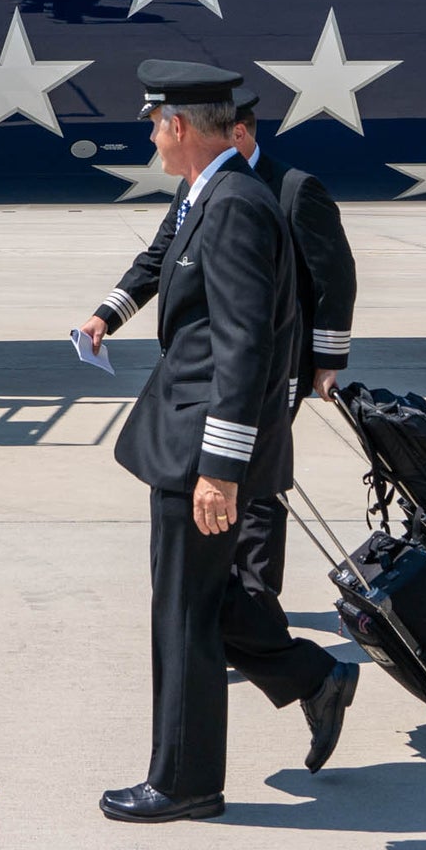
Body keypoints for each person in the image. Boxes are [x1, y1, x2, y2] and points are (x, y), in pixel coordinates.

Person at [94, 61, 357, 824]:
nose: (149, 134)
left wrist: (219, 468)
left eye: (153, 123)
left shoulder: (237, 204)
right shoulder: (212, 193)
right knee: (207, 604)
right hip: (190, 438)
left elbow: (245, 346)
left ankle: (182, 781)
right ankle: (313, 677)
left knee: (182, 614)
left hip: (199, 448)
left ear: (178, 126)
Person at [81, 87, 360, 608]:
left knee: (253, 483)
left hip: (275, 367)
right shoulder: (201, 184)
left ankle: (255, 596)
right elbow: (161, 253)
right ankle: (225, 607)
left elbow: (333, 279)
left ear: (244, 131)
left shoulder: (292, 188)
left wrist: (328, 362)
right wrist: (109, 313)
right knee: (228, 479)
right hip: (222, 368)